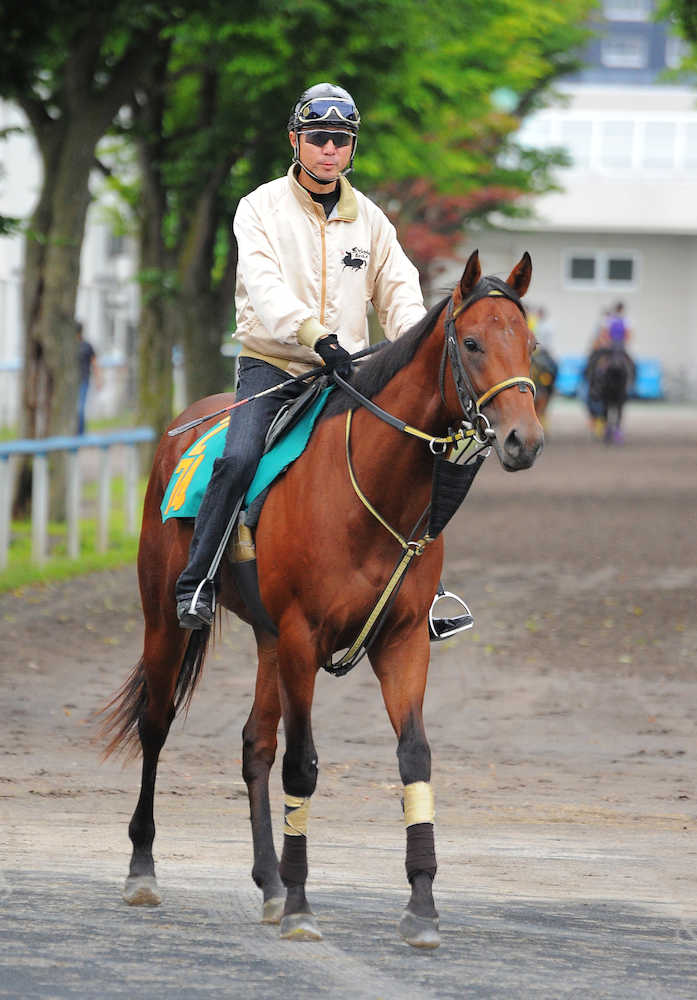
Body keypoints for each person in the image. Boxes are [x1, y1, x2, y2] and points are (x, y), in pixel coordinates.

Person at [177, 83, 473, 635]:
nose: (330, 149)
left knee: (421, 459)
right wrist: (315, 336)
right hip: (274, 366)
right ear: (296, 140)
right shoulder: (257, 207)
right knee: (239, 459)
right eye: (319, 138)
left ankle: (424, 592)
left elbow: (401, 291)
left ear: (352, 147)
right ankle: (198, 579)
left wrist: (412, 347)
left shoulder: (374, 222)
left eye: (341, 139)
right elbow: (264, 287)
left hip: (351, 373)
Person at [76, 321, 100, 435]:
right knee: (75, 408)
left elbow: (94, 362)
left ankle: (80, 434)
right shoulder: (70, 347)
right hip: (72, 383)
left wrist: (98, 378)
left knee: (80, 408)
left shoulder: (87, 346)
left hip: (84, 380)